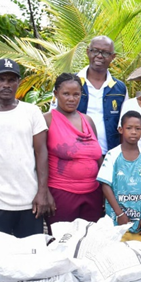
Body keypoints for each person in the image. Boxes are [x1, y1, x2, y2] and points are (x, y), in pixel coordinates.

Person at [0, 59, 53, 237]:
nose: (6, 85)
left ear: (18, 82)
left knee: (31, 258)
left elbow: (41, 153)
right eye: (1, 79)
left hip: (30, 203)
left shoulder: (32, 112)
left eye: (11, 80)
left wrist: (42, 192)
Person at [44, 73, 103, 226]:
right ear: (56, 94)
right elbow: (38, 159)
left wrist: (104, 189)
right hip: (61, 193)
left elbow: (97, 157)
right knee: (62, 244)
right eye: (66, 94)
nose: (71, 99)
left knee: (88, 243)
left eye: (76, 94)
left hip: (93, 194)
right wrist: (44, 193)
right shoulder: (47, 120)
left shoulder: (88, 120)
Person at [97, 111, 141, 241]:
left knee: (136, 253)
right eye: (129, 128)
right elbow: (105, 186)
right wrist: (120, 214)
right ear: (121, 129)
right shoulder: (112, 155)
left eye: (137, 129)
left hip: (139, 221)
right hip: (115, 220)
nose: (133, 132)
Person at [75, 36, 127, 155]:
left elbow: (124, 125)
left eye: (105, 53)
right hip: (76, 155)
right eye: (95, 51)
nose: (99, 56)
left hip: (109, 156)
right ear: (88, 52)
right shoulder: (70, 84)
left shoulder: (120, 88)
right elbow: (55, 119)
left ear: (113, 57)